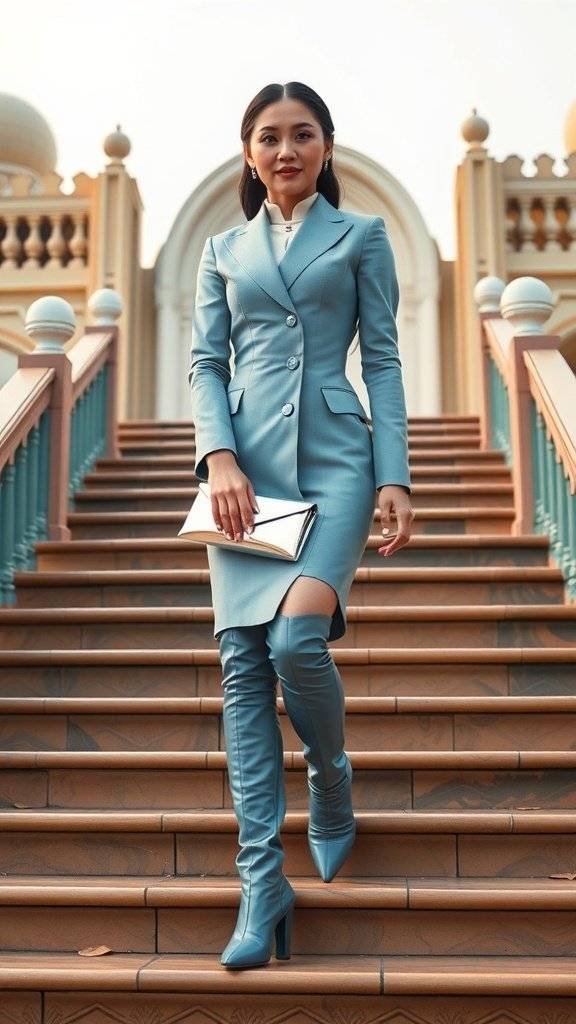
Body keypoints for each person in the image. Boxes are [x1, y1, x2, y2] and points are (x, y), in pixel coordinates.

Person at [188, 80, 415, 971]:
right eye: (270, 137)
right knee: (242, 668)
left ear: (328, 147)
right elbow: (208, 361)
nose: (287, 150)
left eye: (303, 135)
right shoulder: (219, 249)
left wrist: (395, 475)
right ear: (249, 153)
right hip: (246, 475)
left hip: (336, 462)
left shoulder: (360, 236)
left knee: (293, 644)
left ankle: (331, 781)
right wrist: (220, 460)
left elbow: (386, 360)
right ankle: (260, 884)